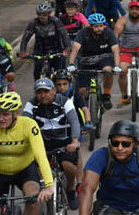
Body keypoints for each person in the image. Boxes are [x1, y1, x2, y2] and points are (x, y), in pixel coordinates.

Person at [22, 78, 81, 210]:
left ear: (54, 90)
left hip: (64, 141)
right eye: (39, 92)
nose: (43, 95)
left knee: (68, 165)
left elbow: (74, 121)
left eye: (46, 91)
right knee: (37, 172)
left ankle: (71, 188)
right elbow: (23, 123)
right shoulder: (32, 104)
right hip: (41, 143)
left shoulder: (64, 102)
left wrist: (75, 141)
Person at [67, 13, 121, 110]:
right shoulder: (83, 33)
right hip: (86, 61)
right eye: (96, 26)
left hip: (104, 59)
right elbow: (75, 49)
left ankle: (106, 95)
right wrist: (71, 63)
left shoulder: (108, 32)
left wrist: (117, 65)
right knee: (82, 90)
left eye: (101, 26)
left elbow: (115, 50)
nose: (99, 28)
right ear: (90, 26)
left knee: (108, 71)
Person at [53, 69, 91, 198]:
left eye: (64, 84)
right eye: (58, 84)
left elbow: (85, 109)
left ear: (70, 84)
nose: (62, 87)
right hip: (56, 130)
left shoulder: (75, 94)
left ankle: (79, 183)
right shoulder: (50, 96)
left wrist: (88, 121)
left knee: (77, 153)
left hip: (74, 127)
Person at [19, 3, 70, 80]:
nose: (42, 16)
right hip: (39, 50)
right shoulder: (33, 23)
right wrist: (22, 51)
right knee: (37, 71)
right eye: (39, 14)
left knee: (59, 73)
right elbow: (26, 38)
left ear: (49, 14)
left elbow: (64, 36)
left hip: (56, 49)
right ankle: (38, 87)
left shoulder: (56, 22)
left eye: (44, 14)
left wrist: (67, 48)